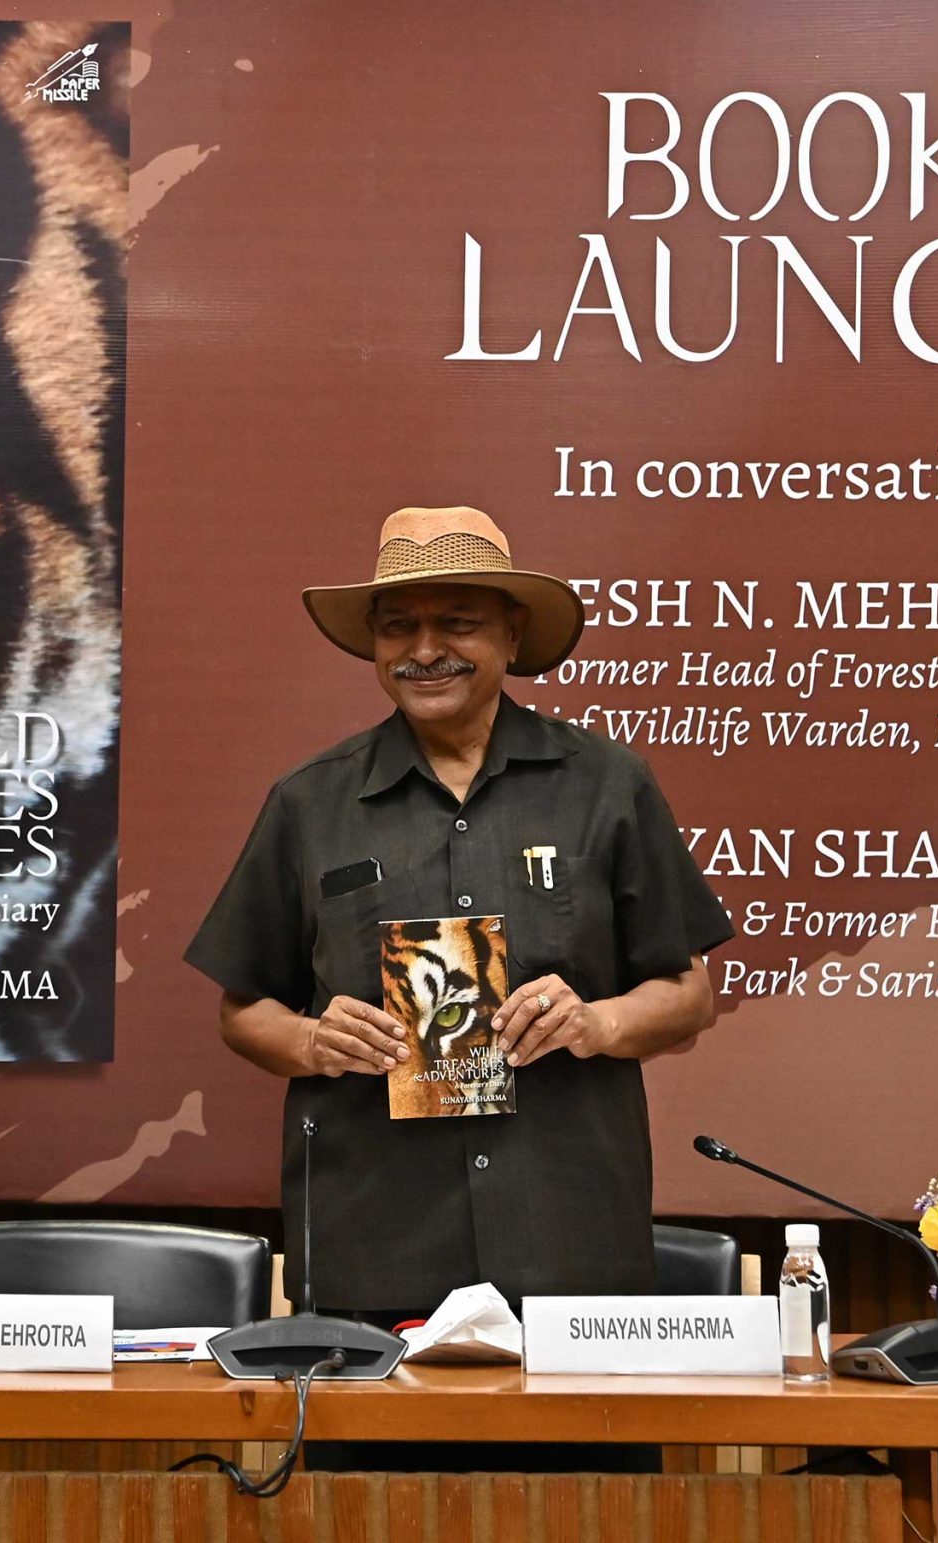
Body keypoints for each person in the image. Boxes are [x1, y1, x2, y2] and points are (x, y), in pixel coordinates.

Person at [187, 505, 732, 1325]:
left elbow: (689, 994)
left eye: (458, 622)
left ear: (513, 635)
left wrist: (596, 1022)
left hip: (570, 1238)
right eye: (398, 626)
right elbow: (242, 1009)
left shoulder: (607, 784)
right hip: (373, 1243)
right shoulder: (309, 802)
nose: (425, 649)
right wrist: (310, 1040)